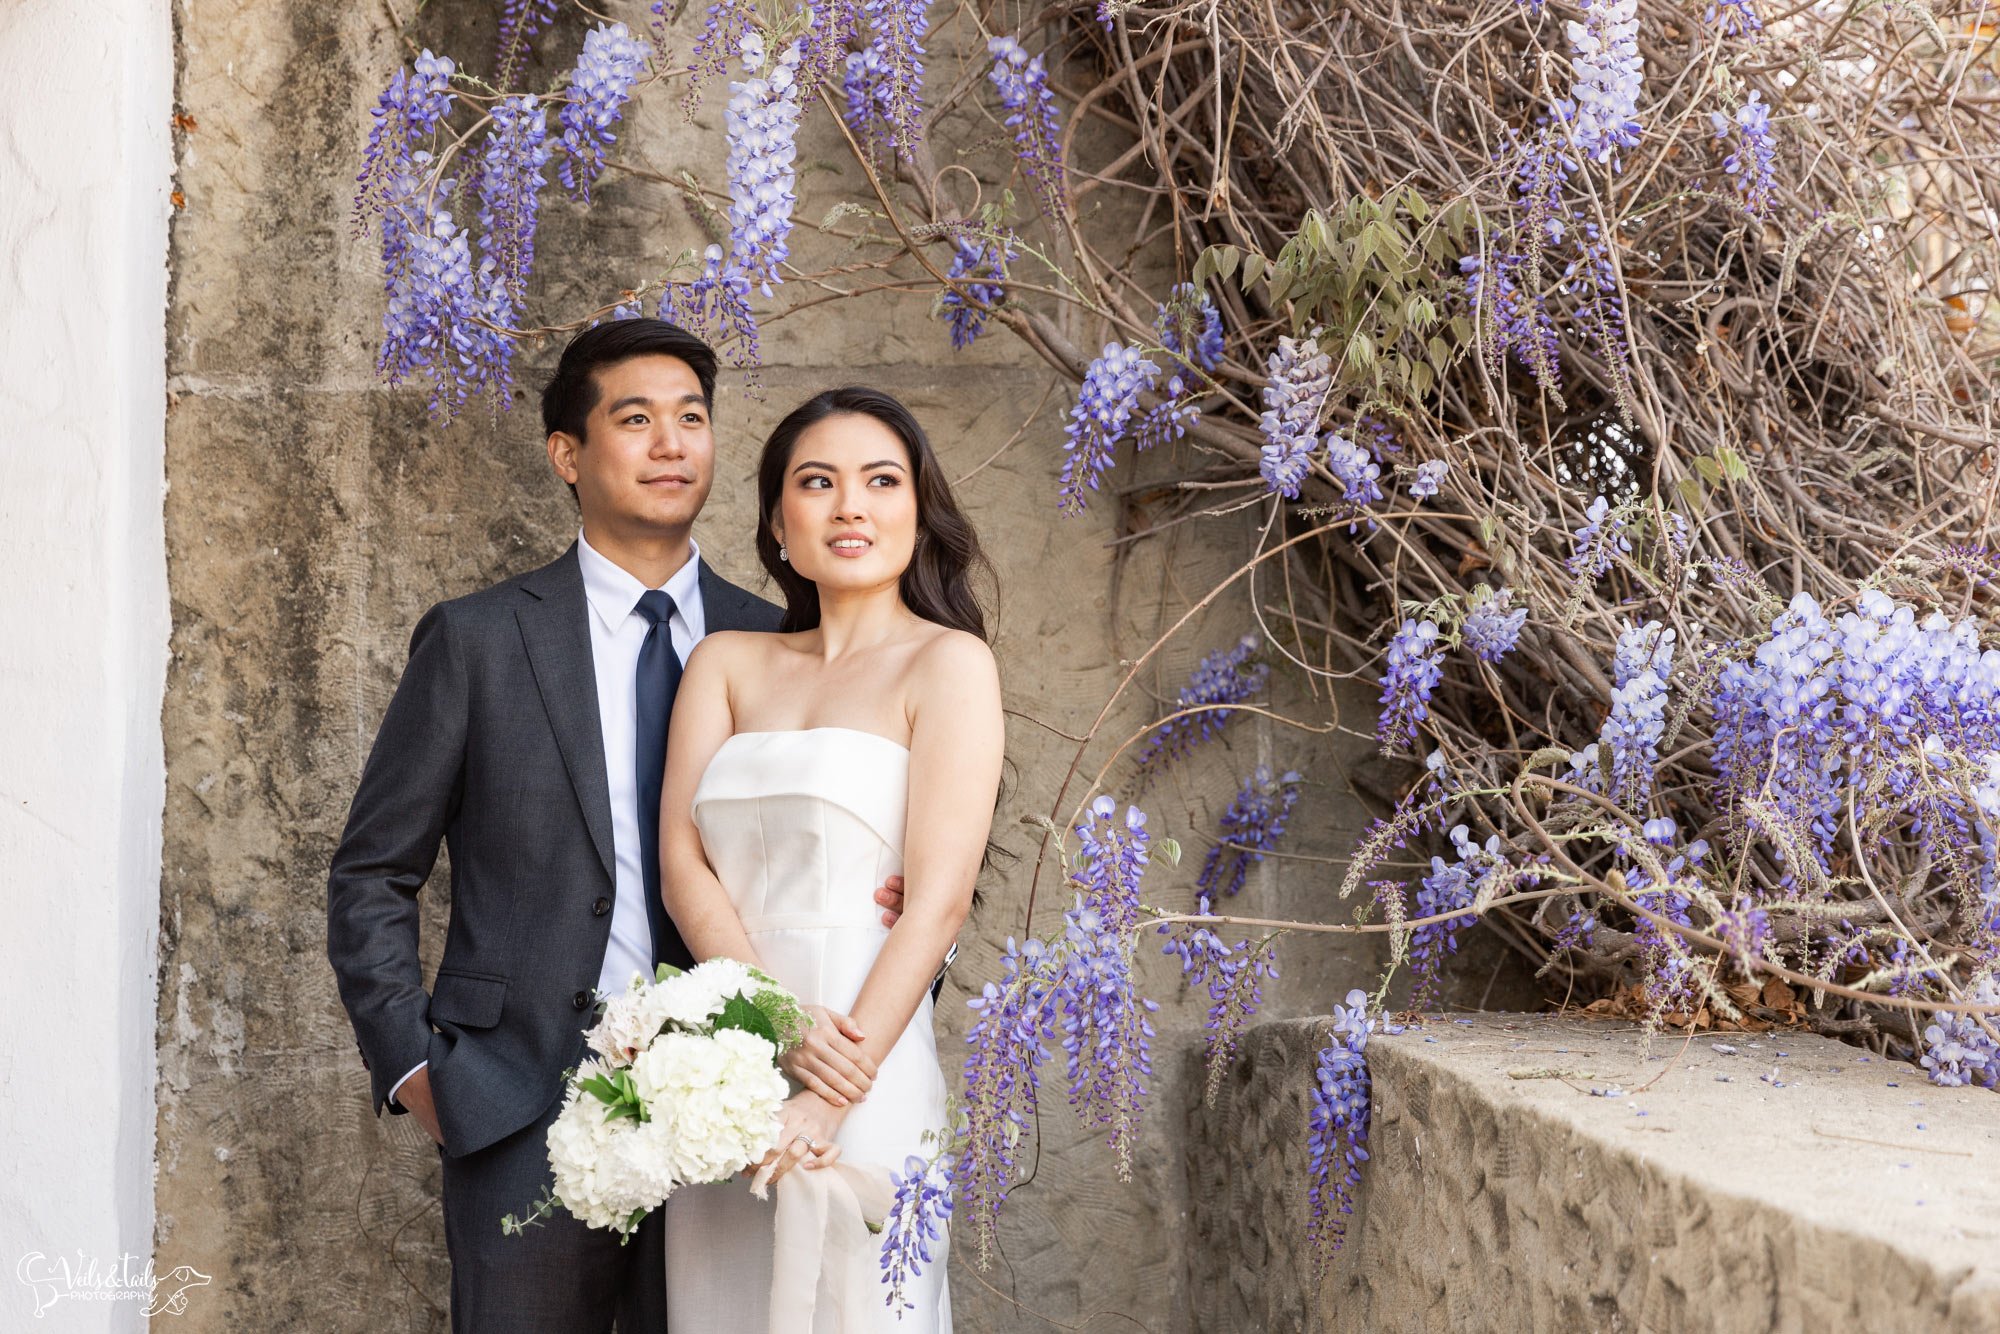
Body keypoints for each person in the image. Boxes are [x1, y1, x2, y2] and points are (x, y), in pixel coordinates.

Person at [325, 320, 911, 1332]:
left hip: (745, 1102)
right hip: (516, 1104)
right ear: (568, 452)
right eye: (635, 420)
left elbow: (875, 842)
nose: (672, 443)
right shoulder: (478, 639)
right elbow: (372, 871)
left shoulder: (775, 635)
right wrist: (420, 1069)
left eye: (692, 418)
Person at [657, 386, 1003, 1331]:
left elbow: (937, 902)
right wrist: (769, 1022)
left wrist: (828, 1093)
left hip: (869, 1048)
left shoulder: (950, 664)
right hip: (733, 1048)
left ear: (917, 509)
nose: (851, 505)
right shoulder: (724, 663)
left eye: (881, 480)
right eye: (818, 483)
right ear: (777, 521)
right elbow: (683, 865)